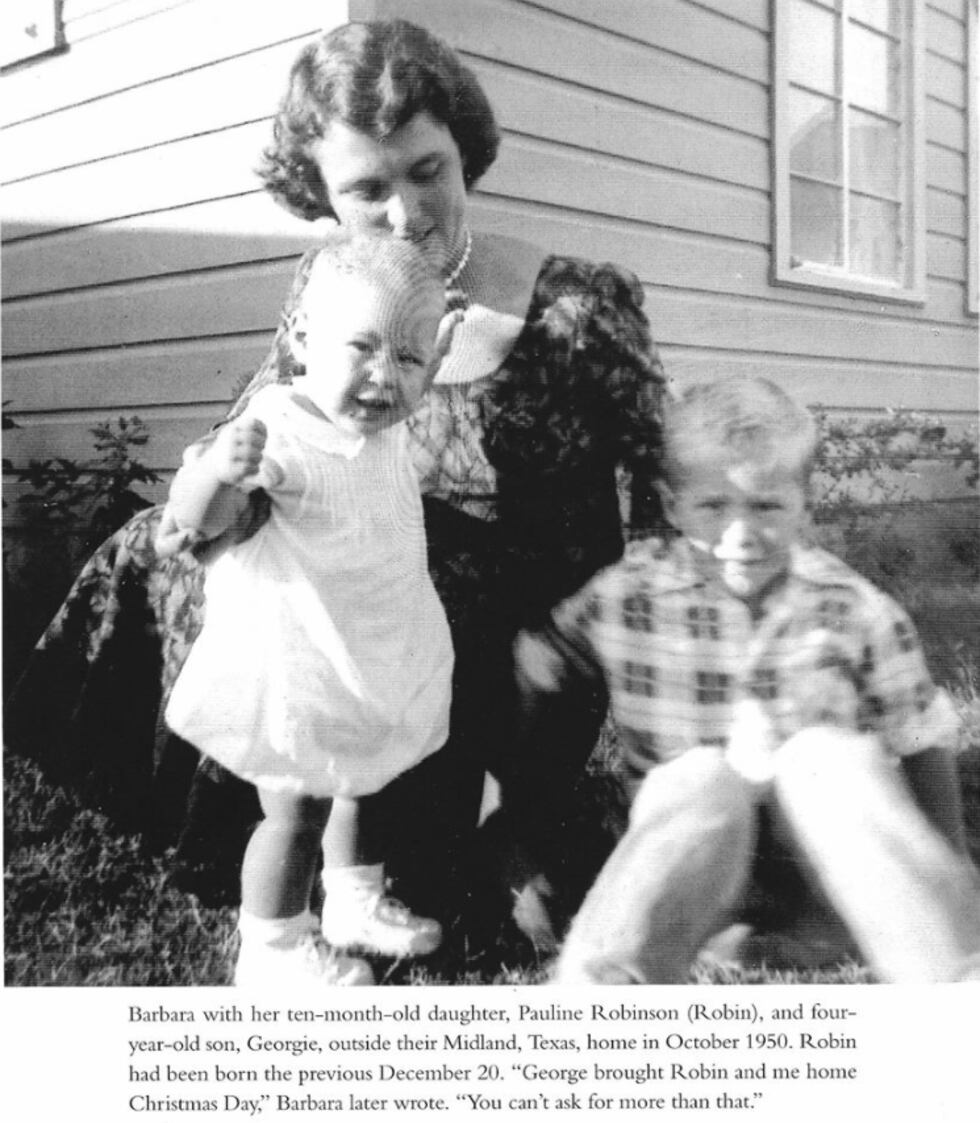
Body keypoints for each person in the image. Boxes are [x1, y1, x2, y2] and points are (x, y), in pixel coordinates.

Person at [5, 19, 666, 965]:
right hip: (364, 570)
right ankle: (226, 806)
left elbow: (660, 468)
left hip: (507, 617)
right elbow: (266, 417)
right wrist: (213, 489)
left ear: (463, 152)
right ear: (321, 192)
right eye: (366, 189)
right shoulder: (333, 285)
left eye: (427, 171)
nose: (404, 214)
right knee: (157, 543)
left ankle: (482, 825)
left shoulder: (576, 303)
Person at [516, 376, 980, 983]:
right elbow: (537, 672)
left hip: (821, 862)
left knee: (826, 758)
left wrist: (952, 860)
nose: (741, 533)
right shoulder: (625, 594)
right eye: (713, 506)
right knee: (701, 776)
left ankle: (951, 972)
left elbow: (920, 735)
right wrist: (513, 841)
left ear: (803, 505)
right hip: (691, 853)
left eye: (766, 505)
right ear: (672, 504)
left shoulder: (854, 608)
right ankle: (603, 985)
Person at [160, 234, 459, 986]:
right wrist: (218, 474)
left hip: (371, 646)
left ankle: (353, 900)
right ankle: (274, 947)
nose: (382, 375)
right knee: (294, 813)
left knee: (370, 781)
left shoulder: (381, 427)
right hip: (297, 661)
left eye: (409, 359)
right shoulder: (277, 426)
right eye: (360, 346)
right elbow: (197, 528)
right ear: (301, 339)